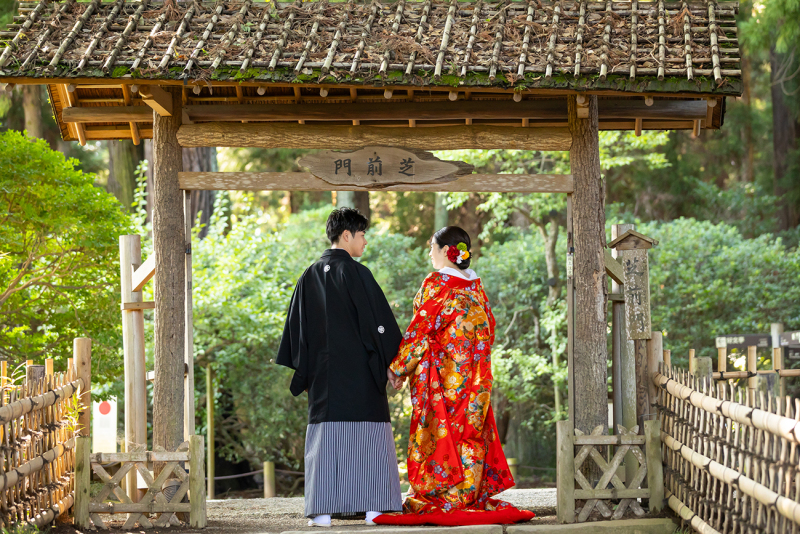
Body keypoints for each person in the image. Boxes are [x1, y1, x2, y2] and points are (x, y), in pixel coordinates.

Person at [379, 226, 534, 526]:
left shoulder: (437, 283)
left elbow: (421, 329)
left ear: (445, 251)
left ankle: (443, 494)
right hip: (476, 375)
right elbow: (489, 327)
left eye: (432, 247)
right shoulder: (475, 287)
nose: (429, 253)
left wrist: (397, 369)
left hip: (444, 376)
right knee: (470, 430)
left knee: (443, 429)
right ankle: (468, 495)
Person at [276, 207, 403, 527]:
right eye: (362, 235)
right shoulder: (357, 274)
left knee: (324, 440)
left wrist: (305, 370)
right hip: (361, 374)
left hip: (323, 377)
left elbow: (297, 331)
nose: (365, 241)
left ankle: (321, 512)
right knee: (369, 439)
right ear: (346, 235)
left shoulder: (308, 276)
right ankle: (375, 508)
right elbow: (379, 325)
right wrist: (392, 363)